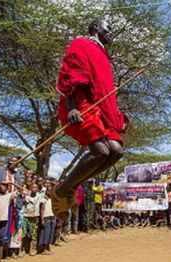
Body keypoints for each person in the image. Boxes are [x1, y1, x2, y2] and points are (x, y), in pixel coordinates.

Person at [53, 19, 128, 217]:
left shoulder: (104, 55)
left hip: (103, 110)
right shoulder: (81, 44)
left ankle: (71, 185)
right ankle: (61, 189)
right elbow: (69, 75)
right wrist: (71, 107)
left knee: (117, 151)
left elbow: (105, 91)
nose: (111, 32)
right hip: (82, 103)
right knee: (101, 151)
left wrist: (116, 117)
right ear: (96, 28)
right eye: (108, 27)